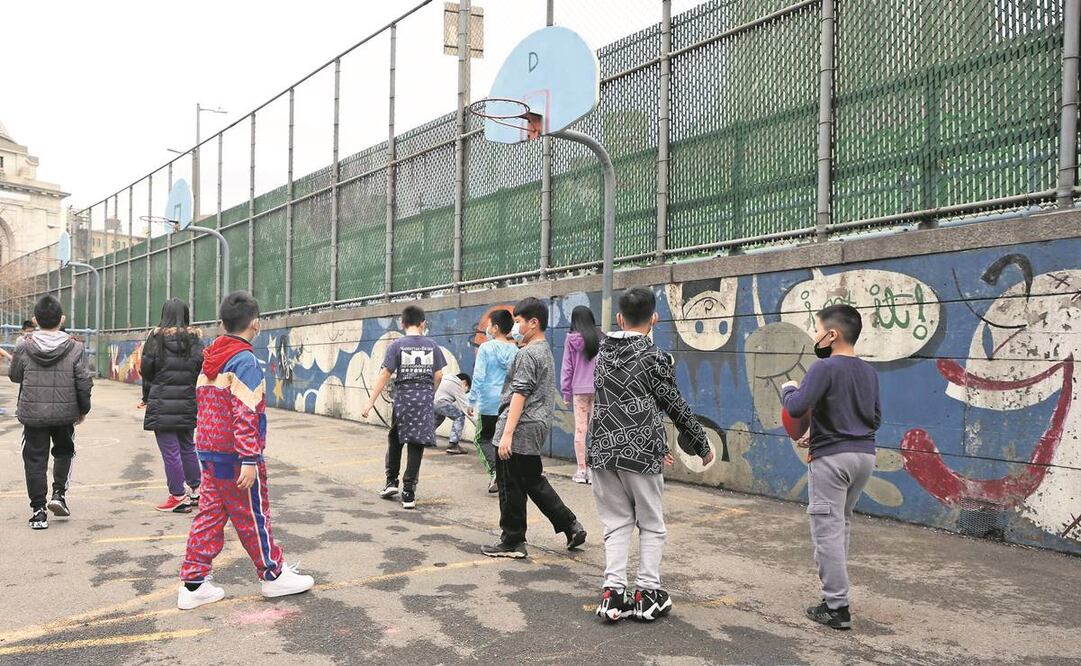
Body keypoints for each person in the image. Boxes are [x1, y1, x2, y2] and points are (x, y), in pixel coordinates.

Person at [177, 291, 314, 610]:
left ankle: (193, 583)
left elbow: (206, 406)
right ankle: (272, 574)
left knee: (210, 516)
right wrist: (250, 458)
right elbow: (246, 412)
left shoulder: (212, 358)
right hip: (236, 455)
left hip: (209, 451)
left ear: (223, 323)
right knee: (254, 515)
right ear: (256, 324)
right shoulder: (245, 361)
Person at [589, 287, 713, 622]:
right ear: (654, 318)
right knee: (652, 524)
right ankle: (647, 592)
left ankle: (613, 593)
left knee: (615, 523)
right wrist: (701, 443)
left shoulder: (601, 355)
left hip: (601, 449)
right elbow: (672, 405)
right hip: (640, 453)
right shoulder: (655, 357)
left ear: (619, 318)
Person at [781, 303, 880, 631]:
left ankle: (836, 607)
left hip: (832, 460)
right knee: (841, 524)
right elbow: (875, 418)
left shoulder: (823, 369)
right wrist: (822, 433)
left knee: (826, 531)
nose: (815, 335)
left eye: (817, 329)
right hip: (864, 456)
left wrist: (789, 389)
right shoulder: (868, 371)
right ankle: (834, 598)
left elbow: (796, 408)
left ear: (832, 334)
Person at [482, 297, 587, 559]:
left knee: (509, 484)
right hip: (536, 424)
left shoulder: (528, 354)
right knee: (531, 480)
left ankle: (512, 540)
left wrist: (506, 434)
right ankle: (569, 524)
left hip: (519, 426)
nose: (515, 327)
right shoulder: (544, 351)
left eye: (518, 322)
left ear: (533, 323)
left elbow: (520, 393)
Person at [8, 295, 93, 530]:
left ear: (35, 320)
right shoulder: (75, 347)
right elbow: (84, 381)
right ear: (62, 319)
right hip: (65, 412)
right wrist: (83, 409)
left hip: (32, 413)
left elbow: (15, 376)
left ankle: (38, 511)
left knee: (34, 460)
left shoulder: (23, 345)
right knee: (64, 451)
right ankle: (58, 495)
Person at [361, 305, 446, 510]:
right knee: (416, 443)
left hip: (403, 400)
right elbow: (439, 375)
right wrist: (429, 393)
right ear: (423, 323)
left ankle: (391, 481)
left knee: (396, 438)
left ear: (402, 323)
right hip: (424, 399)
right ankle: (409, 491)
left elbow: (384, 374)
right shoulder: (432, 345)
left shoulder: (397, 345)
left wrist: (370, 402)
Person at [139, 298, 204, 513]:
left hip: (162, 402)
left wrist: (146, 397)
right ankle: (197, 490)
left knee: (171, 451)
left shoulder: (155, 339)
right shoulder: (195, 340)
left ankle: (177, 495)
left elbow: (146, 370)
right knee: (187, 447)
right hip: (187, 401)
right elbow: (199, 370)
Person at [471, 309, 519, 494]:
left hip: (487, 403)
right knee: (502, 441)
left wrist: (471, 399)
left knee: (481, 439)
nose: (487, 328)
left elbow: (479, 376)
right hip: (507, 403)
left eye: (489, 325)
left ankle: (495, 473)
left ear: (496, 328)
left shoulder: (485, 348)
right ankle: (507, 476)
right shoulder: (515, 350)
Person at [561, 305, 600, 484]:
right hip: (598, 390)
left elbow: (567, 367)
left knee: (580, 430)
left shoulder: (570, 340)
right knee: (596, 429)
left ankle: (581, 470)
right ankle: (594, 470)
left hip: (579, 391)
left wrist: (566, 392)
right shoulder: (600, 337)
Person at [434, 372, 472, 455]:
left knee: (439, 416)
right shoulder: (457, 384)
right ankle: (453, 445)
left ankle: (426, 439)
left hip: (433, 402)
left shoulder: (446, 378)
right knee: (459, 415)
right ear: (464, 383)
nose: (465, 393)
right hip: (442, 402)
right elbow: (466, 408)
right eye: (467, 389)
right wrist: (480, 426)